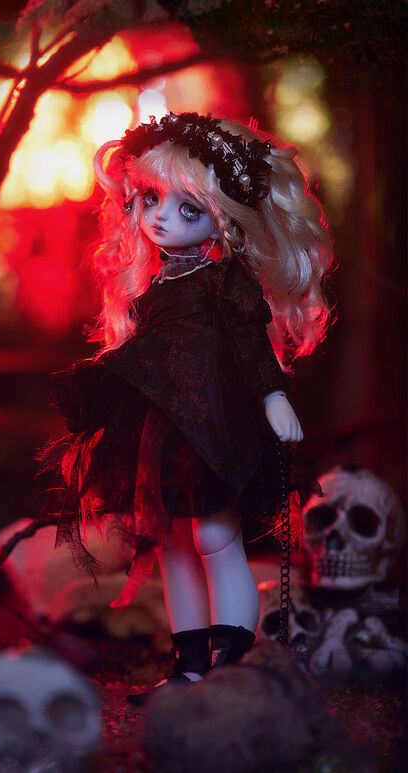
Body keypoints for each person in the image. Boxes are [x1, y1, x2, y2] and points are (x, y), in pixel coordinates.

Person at [38, 112, 334, 704]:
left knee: (215, 541)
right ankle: (189, 666)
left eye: (188, 209)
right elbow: (154, 356)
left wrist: (274, 396)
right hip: (163, 430)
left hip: (214, 429)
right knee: (172, 544)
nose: (161, 217)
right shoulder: (157, 288)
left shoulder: (226, 282)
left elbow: (250, 346)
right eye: (151, 199)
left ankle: (230, 662)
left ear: (223, 218)